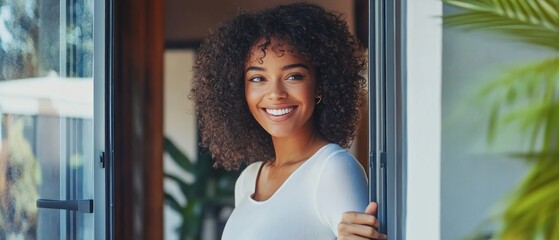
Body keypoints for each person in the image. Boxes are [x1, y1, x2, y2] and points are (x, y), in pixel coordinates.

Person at [190, 3, 387, 240]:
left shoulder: (332, 169)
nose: (275, 93)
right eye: (257, 78)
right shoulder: (248, 180)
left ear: (320, 84)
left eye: (293, 76)